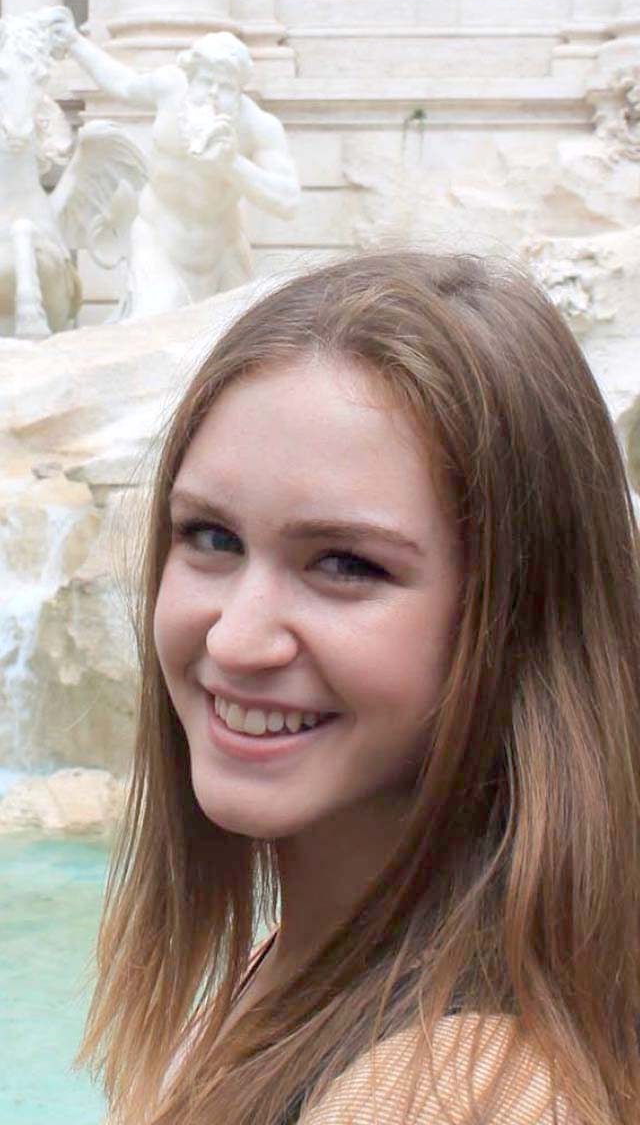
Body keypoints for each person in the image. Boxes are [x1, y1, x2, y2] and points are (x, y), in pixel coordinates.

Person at [78, 251, 640, 1125]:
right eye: (212, 538)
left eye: (345, 564)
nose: (235, 638)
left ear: (520, 622)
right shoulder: (302, 969)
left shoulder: (455, 1092)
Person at [43, 10, 300, 317]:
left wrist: (232, 163)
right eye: (206, 82)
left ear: (240, 89)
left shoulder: (257, 126)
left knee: (231, 338)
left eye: (226, 87)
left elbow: (288, 201)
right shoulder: (169, 88)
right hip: (158, 242)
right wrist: (75, 42)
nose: (213, 95)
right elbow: (123, 84)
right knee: (153, 322)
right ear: (190, 78)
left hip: (223, 253)